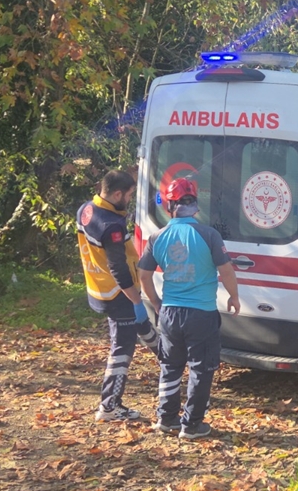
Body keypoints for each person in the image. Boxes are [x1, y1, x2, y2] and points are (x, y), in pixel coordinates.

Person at [137, 177, 239, 440]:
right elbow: (226, 271)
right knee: (201, 368)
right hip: (201, 313)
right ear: (195, 205)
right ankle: (192, 425)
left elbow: (144, 276)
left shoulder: (157, 237)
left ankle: (166, 418)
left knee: (170, 366)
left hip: (170, 312)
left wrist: (157, 304)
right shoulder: (209, 235)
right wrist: (234, 297)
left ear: (169, 206)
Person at [76, 170, 162, 422]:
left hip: (98, 287)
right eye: (129, 195)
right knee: (122, 348)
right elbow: (118, 268)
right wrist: (136, 299)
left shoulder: (86, 209)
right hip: (116, 293)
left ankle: (169, 363)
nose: (130, 198)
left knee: (143, 327)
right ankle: (109, 406)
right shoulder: (111, 226)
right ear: (116, 194)